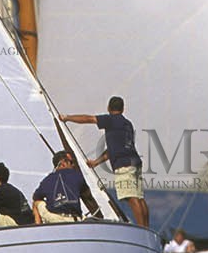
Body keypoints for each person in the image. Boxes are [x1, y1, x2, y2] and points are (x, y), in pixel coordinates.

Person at [62, 97, 150, 228]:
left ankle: (142, 229)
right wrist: (96, 162)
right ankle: (146, 228)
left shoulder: (110, 120)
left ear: (108, 108)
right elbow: (112, 150)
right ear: (123, 109)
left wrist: (67, 118)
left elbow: (88, 119)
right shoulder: (128, 124)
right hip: (135, 162)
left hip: (123, 164)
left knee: (132, 197)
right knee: (139, 197)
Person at [33, 149, 89, 224]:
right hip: (75, 220)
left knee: (36, 203)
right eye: (71, 162)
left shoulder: (47, 180)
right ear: (63, 163)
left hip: (55, 220)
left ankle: (38, 227)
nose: (73, 165)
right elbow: (88, 197)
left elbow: (36, 197)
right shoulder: (77, 175)